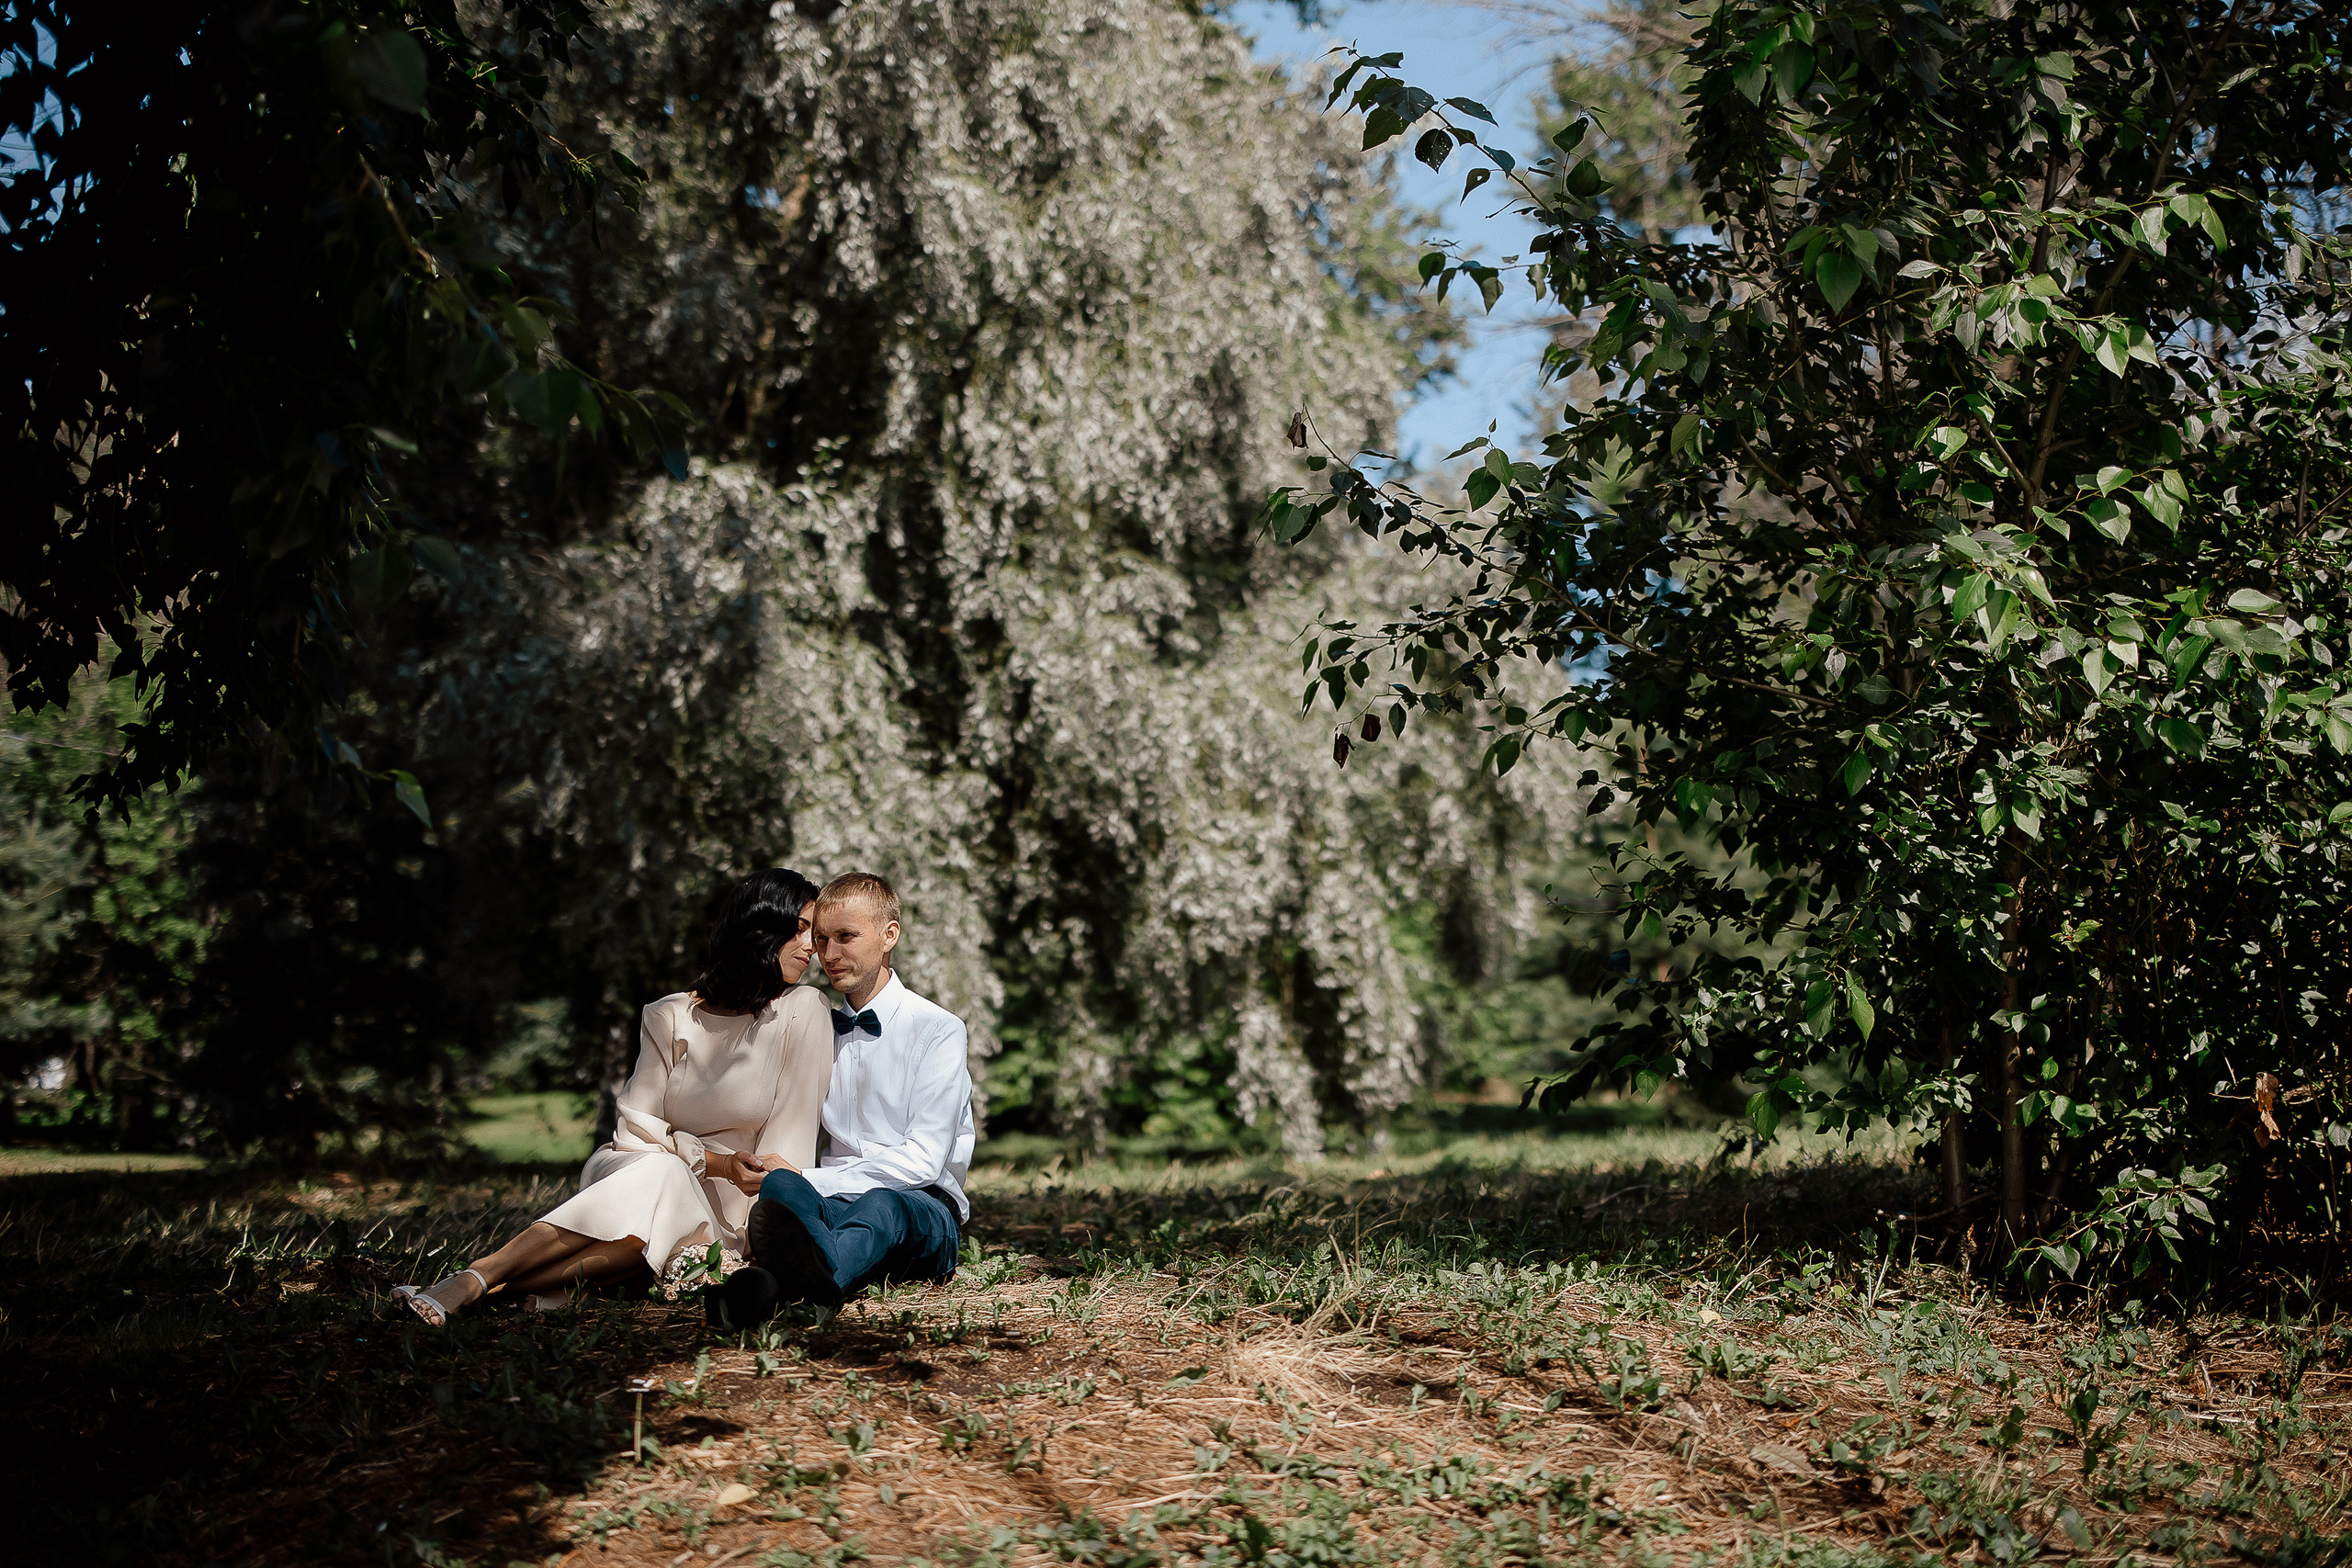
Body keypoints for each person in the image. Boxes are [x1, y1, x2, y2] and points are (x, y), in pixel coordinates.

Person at [390, 869, 833, 1326]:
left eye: (815, 935)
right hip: (631, 1169)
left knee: (667, 1186)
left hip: (716, 1218)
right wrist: (713, 1162)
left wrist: (760, 1241)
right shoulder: (669, 1015)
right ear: (760, 926)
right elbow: (635, 1126)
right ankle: (483, 1275)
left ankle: (478, 1285)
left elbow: (786, 1153)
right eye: (800, 928)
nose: (811, 948)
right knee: (664, 1173)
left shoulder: (804, 1011)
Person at [720, 871, 974, 1323]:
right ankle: (806, 1284)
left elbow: (923, 1163)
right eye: (820, 939)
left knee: (880, 1202)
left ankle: (793, 1292)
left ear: (888, 935)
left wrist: (812, 1178)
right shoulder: (817, 1029)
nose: (829, 955)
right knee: (780, 1185)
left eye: (846, 937)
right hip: (834, 1207)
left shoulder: (938, 1030)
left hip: (921, 1208)